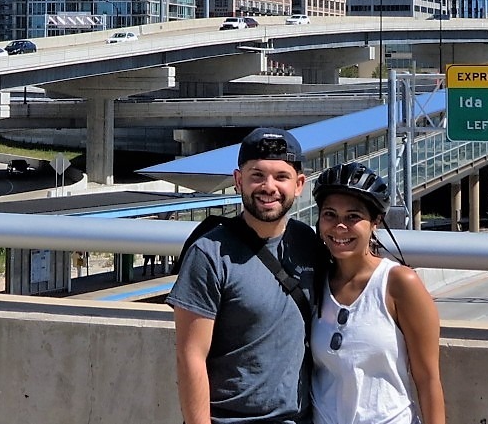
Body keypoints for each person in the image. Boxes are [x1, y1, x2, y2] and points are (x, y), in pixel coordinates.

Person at [170, 128, 320, 424]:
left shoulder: (308, 242)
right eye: (257, 176)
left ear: (299, 184)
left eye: (281, 177)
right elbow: (190, 358)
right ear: (239, 180)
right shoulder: (209, 253)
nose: (269, 187)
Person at [309, 163, 444, 424]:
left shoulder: (399, 282)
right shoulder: (315, 281)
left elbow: (428, 380)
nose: (339, 227)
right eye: (330, 214)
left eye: (352, 217)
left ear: (375, 222)